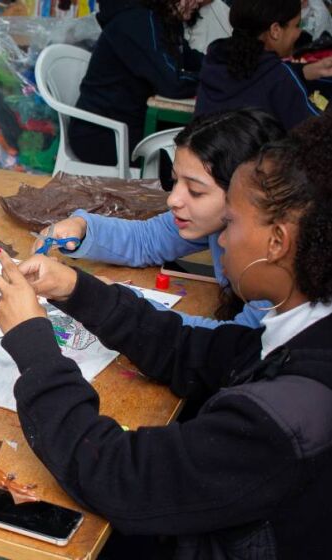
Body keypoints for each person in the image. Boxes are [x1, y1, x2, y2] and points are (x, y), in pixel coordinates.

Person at [0, 113, 332, 558]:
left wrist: (35, 347)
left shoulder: (287, 416)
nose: (220, 243)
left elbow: (117, 474)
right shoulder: (299, 336)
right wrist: (76, 289)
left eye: (229, 223)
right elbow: (190, 350)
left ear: (277, 242)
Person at [35, 108, 284, 328]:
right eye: (175, 181)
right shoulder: (212, 222)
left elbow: (222, 346)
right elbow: (148, 239)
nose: (173, 200)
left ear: (243, 193)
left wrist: (107, 301)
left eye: (195, 191)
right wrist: (83, 227)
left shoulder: (277, 275)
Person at [69, 0, 205, 166]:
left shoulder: (160, 20)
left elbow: (188, 59)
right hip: (103, 134)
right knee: (193, 161)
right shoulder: (138, 21)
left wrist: (223, 62)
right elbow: (173, 84)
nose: (200, 2)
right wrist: (214, 78)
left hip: (128, 125)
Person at [195, 0, 332, 129]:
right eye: (296, 25)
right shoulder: (279, 78)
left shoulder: (214, 60)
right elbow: (314, 132)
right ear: (275, 30)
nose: (299, 33)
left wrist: (305, 71)